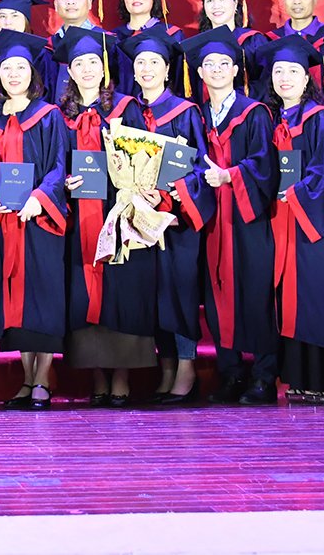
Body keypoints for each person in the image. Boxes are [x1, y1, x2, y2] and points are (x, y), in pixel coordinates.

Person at [56, 25, 157, 405]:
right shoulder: (60, 115)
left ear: (104, 68)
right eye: (79, 64)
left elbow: (145, 157)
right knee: (83, 289)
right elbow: (53, 162)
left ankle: (122, 375)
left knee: (121, 289)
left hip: (119, 211)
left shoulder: (125, 108)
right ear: (70, 71)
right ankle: (96, 373)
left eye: (92, 63)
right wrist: (65, 180)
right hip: (78, 214)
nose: (86, 70)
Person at [250, 34, 324, 403]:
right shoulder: (270, 118)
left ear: (307, 78)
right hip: (279, 221)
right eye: (278, 71)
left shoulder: (319, 118)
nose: (285, 78)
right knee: (287, 299)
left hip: (311, 223)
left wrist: (294, 194)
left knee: (316, 295)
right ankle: (298, 377)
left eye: (293, 71)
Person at [184, 25, 280, 404]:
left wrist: (230, 176)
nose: (217, 70)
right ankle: (231, 372)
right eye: (209, 64)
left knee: (255, 292)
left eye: (224, 64)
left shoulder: (254, 113)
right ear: (200, 72)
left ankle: (264, 376)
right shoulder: (196, 116)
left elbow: (265, 164)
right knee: (217, 293)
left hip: (246, 216)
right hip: (211, 217)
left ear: (237, 70)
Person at [118, 31, 214, 405]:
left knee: (180, 292)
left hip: (176, 221)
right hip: (141, 220)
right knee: (154, 294)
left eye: (154, 62)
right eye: (140, 62)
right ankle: (168, 368)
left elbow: (199, 167)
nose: (146, 68)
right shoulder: (128, 113)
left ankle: (187, 368)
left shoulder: (186, 112)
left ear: (167, 69)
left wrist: (171, 198)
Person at [0, 30, 71, 409]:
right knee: (13, 298)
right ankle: (26, 377)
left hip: (41, 221)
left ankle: (43, 379)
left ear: (32, 73)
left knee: (43, 296)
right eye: (7, 69)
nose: (14, 75)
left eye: (21, 68)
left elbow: (59, 166)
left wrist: (39, 198)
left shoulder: (49, 116)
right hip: (5, 223)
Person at [45, 0, 119, 104]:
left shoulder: (107, 42)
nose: (70, 2)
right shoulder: (47, 47)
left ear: (90, 3)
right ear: (56, 5)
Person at [189, 0, 263, 96]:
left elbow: (265, 83)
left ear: (236, 3)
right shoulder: (197, 46)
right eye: (210, 0)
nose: (216, 6)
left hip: (247, 106)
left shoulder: (253, 41)